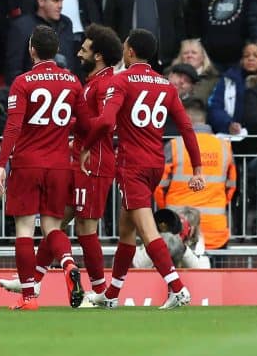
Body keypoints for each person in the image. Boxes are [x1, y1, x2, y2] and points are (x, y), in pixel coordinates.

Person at [80, 28, 205, 309]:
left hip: (132, 165)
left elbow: (105, 120)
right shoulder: (165, 85)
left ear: (130, 51)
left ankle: (177, 288)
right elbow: (186, 127)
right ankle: (111, 295)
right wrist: (197, 167)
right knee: (127, 231)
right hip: (154, 164)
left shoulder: (122, 81)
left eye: (125, 46)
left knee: (147, 232)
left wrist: (87, 146)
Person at [0, 23, 123, 301]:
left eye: (85, 48)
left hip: (36, 163)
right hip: (60, 166)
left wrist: (0, 163)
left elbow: (13, 127)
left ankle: (33, 294)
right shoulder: (73, 82)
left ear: (32, 50)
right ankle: (64, 266)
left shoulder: (22, 82)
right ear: (56, 50)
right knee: (55, 225)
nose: (80, 51)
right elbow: (85, 124)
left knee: (28, 229)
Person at [155, 99, 236, 250]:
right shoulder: (225, 147)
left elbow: (158, 187)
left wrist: (168, 212)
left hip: (179, 229)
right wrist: (215, 203)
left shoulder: (174, 145)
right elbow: (231, 187)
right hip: (215, 232)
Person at [104, 0, 185, 71]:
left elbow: (179, 20)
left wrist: (178, 53)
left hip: (164, 61)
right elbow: (110, 22)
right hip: (129, 59)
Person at [5, 0, 77, 85]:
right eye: (55, 1)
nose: (60, 6)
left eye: (61, 1)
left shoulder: (66, 23)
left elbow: (71, 58)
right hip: (33, 90)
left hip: (65, 89)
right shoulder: (22, 26)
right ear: (41, 1)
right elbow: (13, 68)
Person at [207, 41, 257, 136]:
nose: (251, 58)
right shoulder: (228, 79)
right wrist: (228, 124)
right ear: (242, 60)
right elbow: (215, 107)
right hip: (233, 137)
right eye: (246, 56)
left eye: (256, 56)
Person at [169, 39, 219, 106]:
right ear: (181, 57)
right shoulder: (169, 73)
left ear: (203, 57)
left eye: (194, 53)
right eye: (185, 53)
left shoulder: (214, 78)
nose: (189, 56)